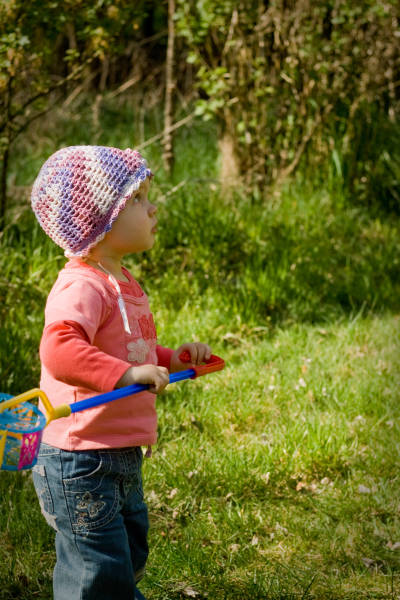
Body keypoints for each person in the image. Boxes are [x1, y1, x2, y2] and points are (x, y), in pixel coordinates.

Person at [30, 145, 211, 600]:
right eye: (138, 199)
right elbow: (59, 349)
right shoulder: (82, 284)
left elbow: (134, 351)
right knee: (99, 569)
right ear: (100, 218)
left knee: (128, 551)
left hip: (119, 452)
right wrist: (127, 376)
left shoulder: (123, 280)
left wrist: (173, 358)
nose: (152, 208)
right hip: (79, 458)